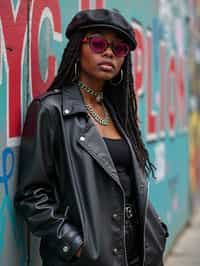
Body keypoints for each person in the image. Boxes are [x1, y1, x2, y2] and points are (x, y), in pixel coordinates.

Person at [15, 8, 168, 266]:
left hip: (139, 252)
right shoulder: (50, 110)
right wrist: (75, 245)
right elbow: (31, 195)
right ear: (78, 48)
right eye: (98, 43)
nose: (109, 52)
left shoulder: (119, 114)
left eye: (119, 49)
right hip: (89, 257)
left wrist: (157, 231)